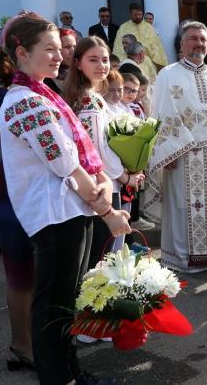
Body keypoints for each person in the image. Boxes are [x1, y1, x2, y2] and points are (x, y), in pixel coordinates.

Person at [0, 12, 130, 385]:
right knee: (52, 305)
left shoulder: (45, 93)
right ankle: (59, 378)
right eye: (49, 50)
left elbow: (80, 152)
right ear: (21, 53)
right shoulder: (24, 101)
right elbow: (65, 164)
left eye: (60, 50)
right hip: (54, 216)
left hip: (72, 210)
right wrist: (109, 211)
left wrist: (102, 183)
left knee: (66, 301)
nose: (59, 57)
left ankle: (71, 370)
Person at [144, 21, 207, 272]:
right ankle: (183, 257)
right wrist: (170, 151)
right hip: (184, 154)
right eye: (193, 38)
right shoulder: (168, 73)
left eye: (203, 40)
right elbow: (163, 113)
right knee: (184, 207)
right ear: (182, 43)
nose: (199, 43)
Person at [62, 36, 143, 268]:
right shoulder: (91, 100)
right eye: (93, 59)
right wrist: (126, 176)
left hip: (93, 185)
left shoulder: (81, 95)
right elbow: (98, 152)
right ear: (78, 63)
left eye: (105, 59)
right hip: (104, 185)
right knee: (104, 257)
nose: (101, 66)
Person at [0, 46, 35, 371]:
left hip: (25, 192)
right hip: (10, 193)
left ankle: (30, 341)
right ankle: (22, 344)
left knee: (30, 273)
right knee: (21, 275)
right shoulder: (8, 96)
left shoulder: (30, 90)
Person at [113, 3, 167, 70]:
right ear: (130, 14)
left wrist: (160, 65)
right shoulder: (123, 28)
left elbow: (156, 47)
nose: (138, 17)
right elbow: (119, 48)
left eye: (140, 15)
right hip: (129, 62)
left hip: (147, 63)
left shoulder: (149, 28)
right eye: (135, 15)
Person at [44, 28, 76, 94]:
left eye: (74, 47)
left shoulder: (79, 72)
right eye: (67, 47)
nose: (73, 51)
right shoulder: (46, 79)